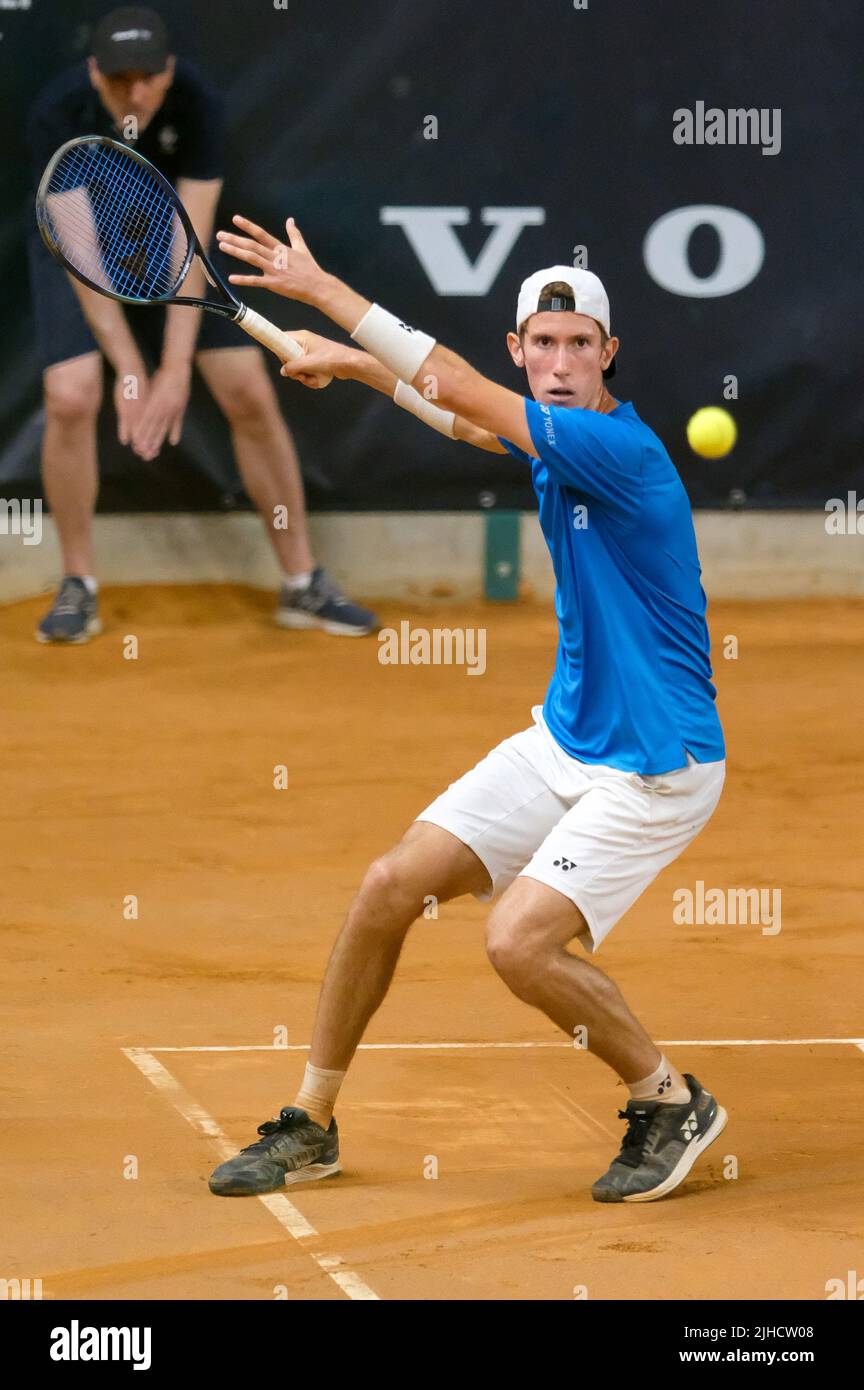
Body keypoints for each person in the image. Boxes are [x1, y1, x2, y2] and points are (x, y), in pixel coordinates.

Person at [207, 211, 728, 1204]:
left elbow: (453, 382)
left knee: (516, 939)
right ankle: (311, 1121)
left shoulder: (616, 448)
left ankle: (668, 1098)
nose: (563, 360)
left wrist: (325, 295)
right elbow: (458, 414)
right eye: (545, 344)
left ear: (609, 355)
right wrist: (355, 368)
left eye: (582, 345)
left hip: (659, 764)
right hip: (570, 736)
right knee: (386, 885)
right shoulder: (549, 432)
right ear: (521, 350)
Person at [26, 7, 376, 642]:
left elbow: (184, 241)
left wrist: (176, 369)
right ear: (93, 72)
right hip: (75, 251)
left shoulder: (197, 102)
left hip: (166, 242)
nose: (134, 93)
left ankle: (302, 581)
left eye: (147, 78)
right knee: (71, 395)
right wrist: (134, 371)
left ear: (169, 71)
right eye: (118, 80)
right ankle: (79, 583)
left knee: (245, 386)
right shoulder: (60, 110)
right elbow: (80, 258)